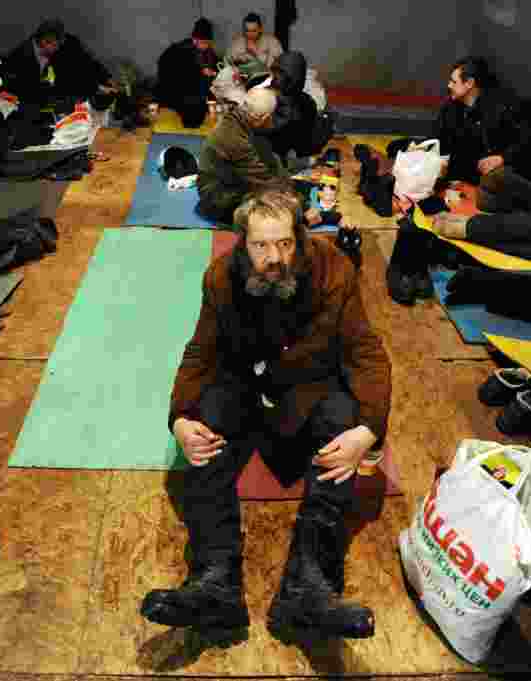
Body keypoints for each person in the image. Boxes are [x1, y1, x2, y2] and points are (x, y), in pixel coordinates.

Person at [140, 189, 391, 638]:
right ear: (243, 244)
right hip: (246, 387)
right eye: (260, 245)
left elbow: (365, 353)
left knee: (344, 420)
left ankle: (309, 586)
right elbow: (201, 352)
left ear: (299, 238)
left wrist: (368, 430)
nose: (274, 257)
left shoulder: (336, 272)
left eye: (285, 243)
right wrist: (179, 418)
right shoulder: (220, 278)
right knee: (204, 417)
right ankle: (214, 581)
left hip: (308, 391)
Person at [197, 87, 322, 226]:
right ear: (265, 117)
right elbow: (264, 181)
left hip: (235, 180)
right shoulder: (233, 137)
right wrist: (303, 206)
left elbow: (272, 164)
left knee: (285, 186)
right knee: (272, 207)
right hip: (216, 197)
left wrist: (292, 190)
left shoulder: (244, 120)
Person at [434, 57, 521, 193]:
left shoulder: (499, 109)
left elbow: (520, 144)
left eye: (453, 81)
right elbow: (439, 141)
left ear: (469, 83)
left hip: (492, 180)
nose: (449, 85)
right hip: (460, 181)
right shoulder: (449, 109)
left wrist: (502, 158)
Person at [0, 19, 118, 112]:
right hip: (33, 101)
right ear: (44, 41)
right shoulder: (19, 56)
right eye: (55, 45)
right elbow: (7, 79)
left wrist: (106, 79)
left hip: (65, 94)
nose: (58, 48)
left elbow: (88, 62)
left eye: (60, 44)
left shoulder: (67, 43)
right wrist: (4, 91)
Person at [156, 18, 219, 129]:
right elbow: (173, 75)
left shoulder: (209, 52)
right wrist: (200, 72)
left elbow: (214, 67)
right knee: (193, 117)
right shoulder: (179, 50)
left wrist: (213, 72)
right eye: (203, 42)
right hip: (178, 91)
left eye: (208, 43)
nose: (206, 46)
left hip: (198, 92)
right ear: (194, 40)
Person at [267, 51, 324, 164]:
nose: (273, 77)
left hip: (280, 161)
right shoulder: (308, 100)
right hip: (299, 156)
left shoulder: (275, 101)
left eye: (277, 73)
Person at [228, 12, 284, 79]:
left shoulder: (272, 41)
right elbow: (229, 62)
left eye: (254, 31)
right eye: (247, 31)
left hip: (268, 80)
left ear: (261, 29)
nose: (250, 34)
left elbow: (280, 63)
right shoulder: (237, 42)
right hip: (242, 80)